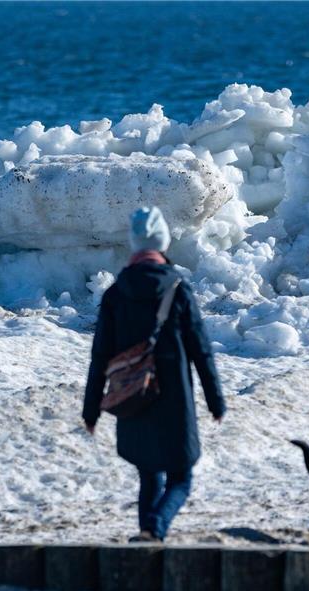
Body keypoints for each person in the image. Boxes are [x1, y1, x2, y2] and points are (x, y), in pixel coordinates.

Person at [82, 206, 226, 542]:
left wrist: (91, 411)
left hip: (133, 397)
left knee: (149, 476)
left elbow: (99, 356)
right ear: (162, 242)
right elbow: (201, 350)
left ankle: (147, 535)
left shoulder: (115, 294)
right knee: (181, 478)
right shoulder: (178, 289)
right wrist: (215, 401)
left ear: (135, 244)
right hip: (174, 399)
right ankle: (154, 530)